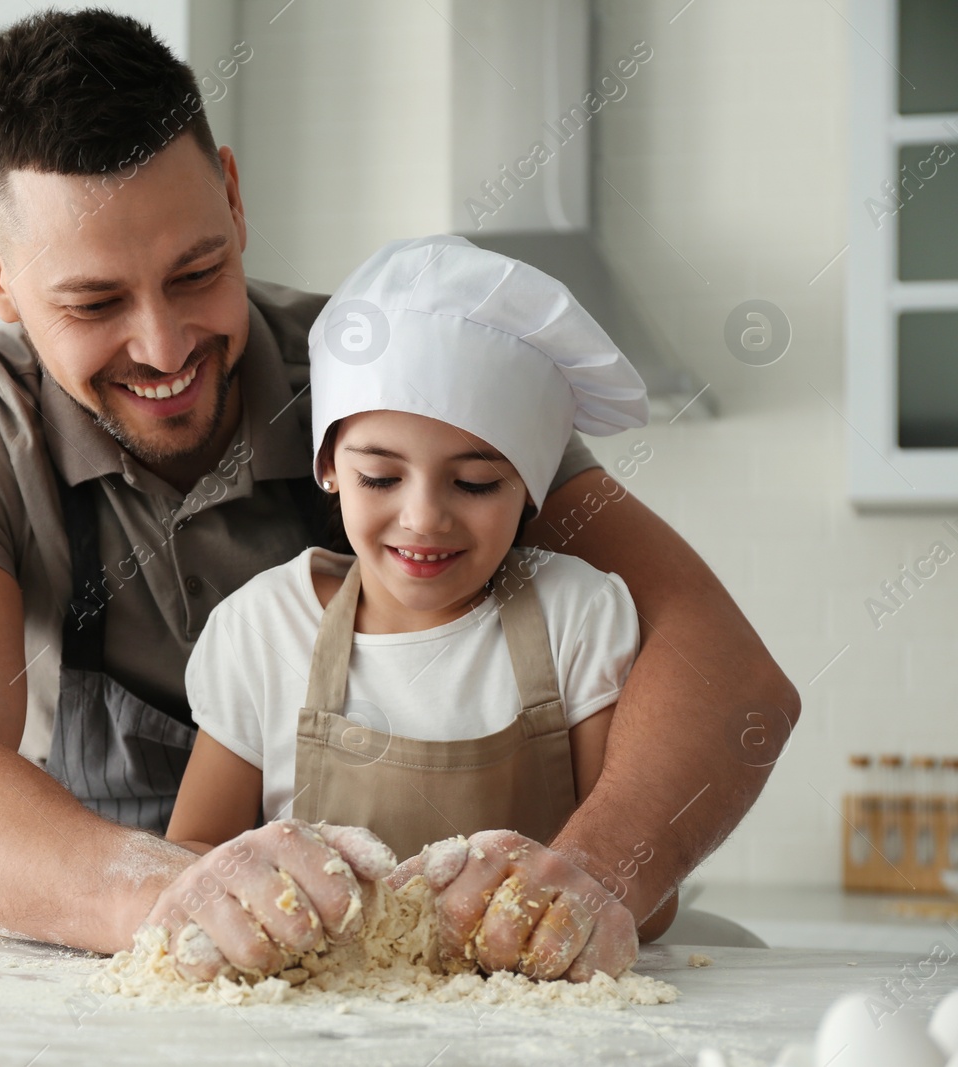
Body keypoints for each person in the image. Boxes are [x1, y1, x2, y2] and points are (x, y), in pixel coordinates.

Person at [0, 8, 799, 981]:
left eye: (197, 271)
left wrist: (591, 874)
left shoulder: (396, 380)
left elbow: (728, 672)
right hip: (124, 972)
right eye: (94, 303)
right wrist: (179, 896)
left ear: (232, 195)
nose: (166, 346)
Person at [167, 235, 648, 981]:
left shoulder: (577, 619)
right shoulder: (264, 630)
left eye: (477, 484)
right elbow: (194, 858)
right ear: (329, 465)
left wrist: (578, 897)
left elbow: (645, 883)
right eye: (382, 476)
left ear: (533, 486)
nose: (423, 518)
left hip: (531, 1027)